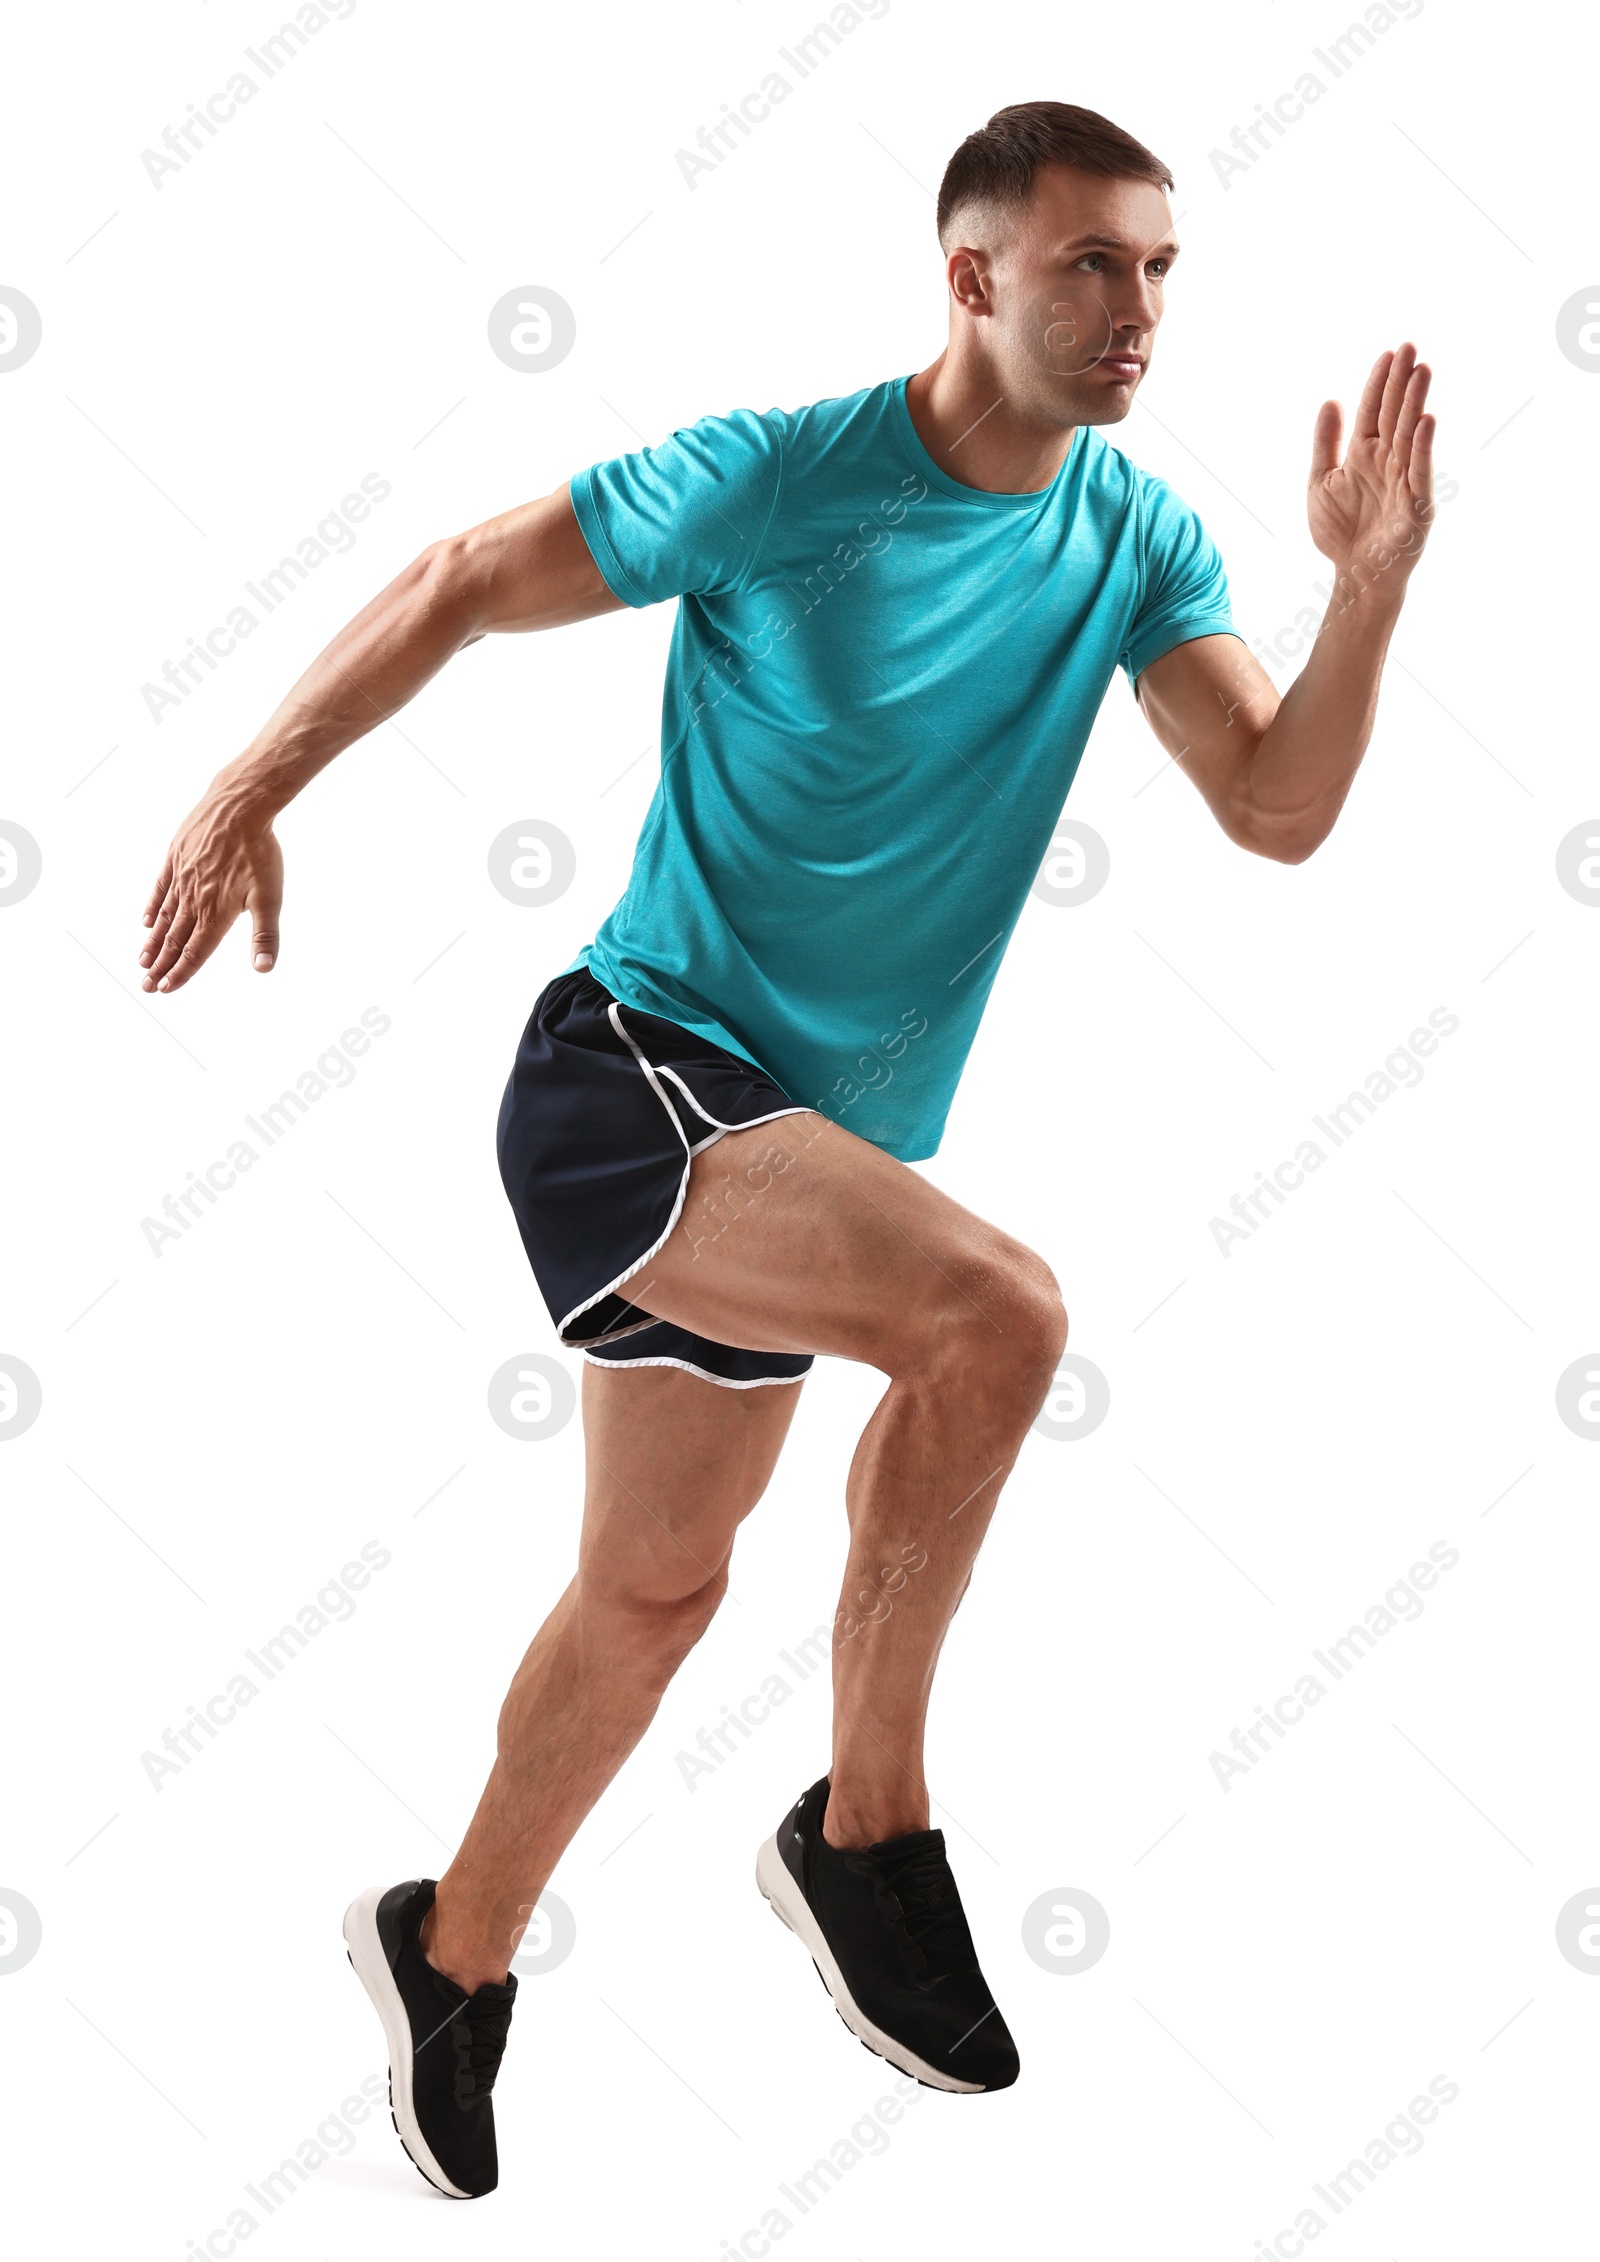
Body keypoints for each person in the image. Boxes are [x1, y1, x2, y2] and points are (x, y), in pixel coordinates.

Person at [138, 100, 1437, 2198]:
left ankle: (445, 1950)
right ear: (974, 275)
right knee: (996, 1316)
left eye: (1162, 267)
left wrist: (1362, 592)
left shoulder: (1134, 536)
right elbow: (470, 572)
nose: (1136, 309)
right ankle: (866, 1838)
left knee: (652, 1588)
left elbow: (1277, 804)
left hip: (791, 1158)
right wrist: (245, 780)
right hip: (632, 1086)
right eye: (1092, 262)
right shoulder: (788, 479)